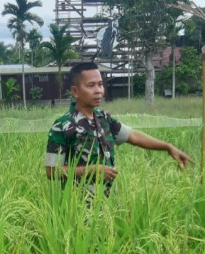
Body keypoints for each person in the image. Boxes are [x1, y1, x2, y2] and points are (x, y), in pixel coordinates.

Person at [44, 61, 193, 198]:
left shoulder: (104, 118)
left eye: (100, 84)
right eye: (91, 85)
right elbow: (51, 171)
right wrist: (90, 170)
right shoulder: (63, 126)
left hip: (109, 204)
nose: (98, 91)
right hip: (78, 208)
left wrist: (167, 147)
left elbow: (132, 136)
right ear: (75, 91)